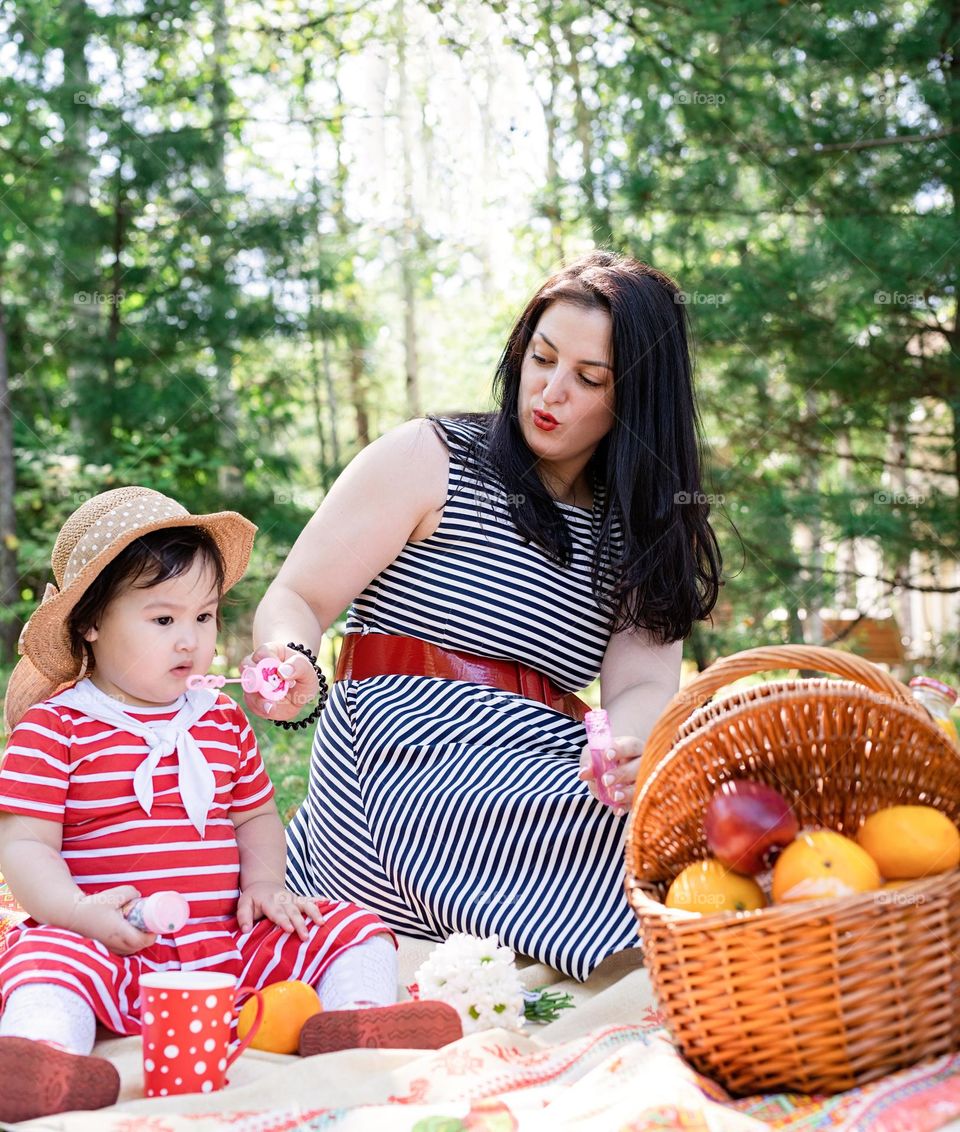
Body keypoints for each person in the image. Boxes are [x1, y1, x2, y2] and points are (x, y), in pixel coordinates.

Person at [248, 251, 722, 982]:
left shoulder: (636, 531)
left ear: (635, 399)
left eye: (589, 378)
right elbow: (298, 599)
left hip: (540, 778)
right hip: (399, 772)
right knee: (666, 879)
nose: (551, 390)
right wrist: (290, 659)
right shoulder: (429, 456)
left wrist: (628, 749)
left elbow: (639, 687)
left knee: (706, 821)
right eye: (541, 357)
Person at [0, 487, 460, 1123]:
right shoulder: (58, 728)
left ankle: (359, 1022)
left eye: (205, 616)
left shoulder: (219, 718)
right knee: (42, 957)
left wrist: (266, 885)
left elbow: (253, 817)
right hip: (107, 945)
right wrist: (75, 911)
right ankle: (44, 1058)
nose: (190, 641)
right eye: (163, 621)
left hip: (223, 948)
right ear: (90, 622)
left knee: (347, 925)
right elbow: (25, 845)